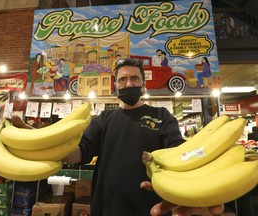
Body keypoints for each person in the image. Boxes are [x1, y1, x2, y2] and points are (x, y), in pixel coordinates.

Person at [65, 58, 224, 215]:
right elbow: (82, 151)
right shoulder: (104, 118)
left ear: (144, 85)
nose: (128, 84)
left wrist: (205, 173)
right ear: (116, 86)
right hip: (108, 208)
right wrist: (63, 151)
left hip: (152, 208)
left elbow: (178, 151)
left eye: (134, 79)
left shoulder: (161, 116)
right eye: (122, 79)